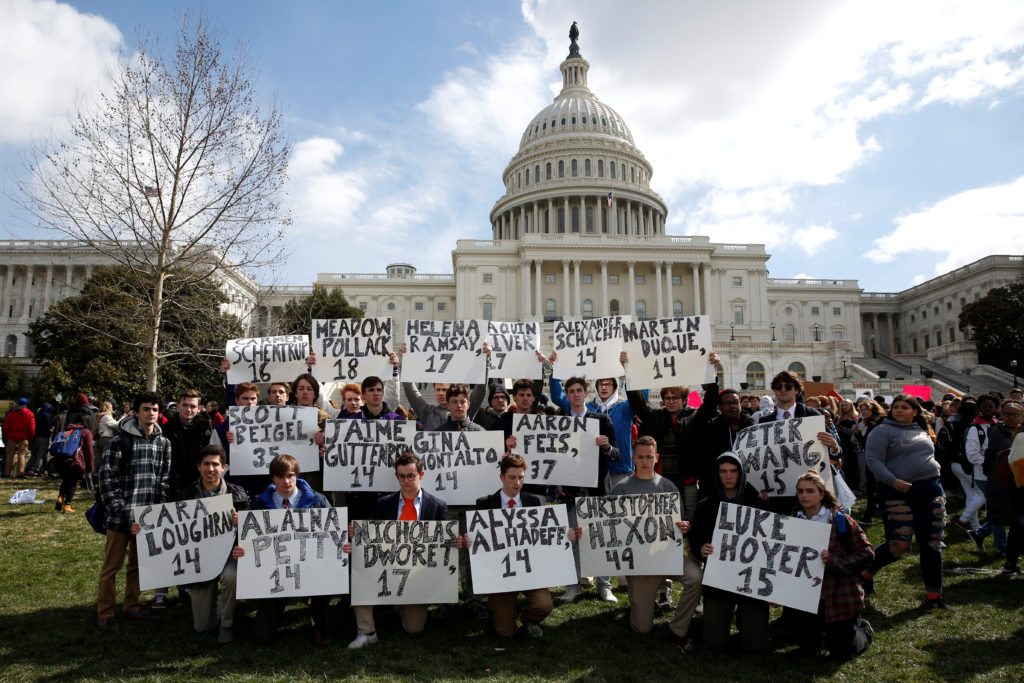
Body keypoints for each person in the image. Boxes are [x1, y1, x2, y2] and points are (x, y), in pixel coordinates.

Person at [131, 445, 248, 643]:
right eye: (206, 464)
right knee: (202, 627)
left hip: (228, 557)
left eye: (215, 464)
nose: (210, 469)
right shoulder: (185, 495)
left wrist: (241, 524)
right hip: (198, 562)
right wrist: (142, 529)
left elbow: (251, 532)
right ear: (198, 467)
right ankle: (218, 605)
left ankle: (227, 624)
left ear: (224, 467)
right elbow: (168, 528)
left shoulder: (238, 496)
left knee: (232, 576)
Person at [348, 451, 455, 649]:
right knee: (359, 571)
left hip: (417, 572)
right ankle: (366, 631)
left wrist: (454, 542)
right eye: (402, 476)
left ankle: (398, 605)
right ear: (397, 476)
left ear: (421, 475)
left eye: (411, 475)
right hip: (386, 566)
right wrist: (356, 539)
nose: (406, 480)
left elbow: (442, 543)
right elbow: (373, 536)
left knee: (414, 628)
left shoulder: (438, 506)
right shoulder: (383, 504)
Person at [609, 436, 702, 651]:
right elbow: (609, 526)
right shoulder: (621, 489)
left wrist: (683, 527)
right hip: (641, 564)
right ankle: (641, 602)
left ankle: (678, 629)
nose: (644, 461)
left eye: (649, 457)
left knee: (696, 576)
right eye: (640, 457)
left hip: (668, 555)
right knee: (642, 629)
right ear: (633, 457)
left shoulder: (668, 487)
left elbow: (676, 522)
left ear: (656, 457)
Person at [861, 394, 950, 609]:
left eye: (904, 407)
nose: (898, 410)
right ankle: (865, 572)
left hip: (929, 489)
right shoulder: (881, 431)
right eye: (895, 407)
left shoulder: (921, 428)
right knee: (900, 543)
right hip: (896, 491)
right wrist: (893, 481)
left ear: (915, 411)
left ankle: (934, 596)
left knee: (932, 542)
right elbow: (873, 460)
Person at [234, 453, 333, 646]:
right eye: (280, 477)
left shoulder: (318, 501)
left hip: (312, 565)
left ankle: (318, 623)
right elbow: (250, 540)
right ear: (273, 478)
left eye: (290, 475)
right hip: (275, 571)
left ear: (296, 475)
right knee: (263, 636)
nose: (286, 481)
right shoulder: (260, 504)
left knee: (323, 583)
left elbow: (332, 534)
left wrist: (341, 545)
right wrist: (242, 550)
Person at [96, 392, 172, 629]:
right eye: (147, 409)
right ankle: (105, 612)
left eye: (155, 409)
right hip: (120, 518)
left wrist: (156, 514)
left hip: (146, 519)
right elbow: (107, 479)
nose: (151, 413)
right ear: (136, 412)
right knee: (111, 568)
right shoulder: (120, 441)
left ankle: (132, 606)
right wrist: (122, 512)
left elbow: (163, 480)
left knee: (137, 567)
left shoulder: (164, 443)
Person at [690, 451, 771, 653]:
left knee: (756, 646)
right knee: (714, 644)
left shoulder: (758, 504)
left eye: (733, 471)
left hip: (750, 580)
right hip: (719, 579)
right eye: (723, 471)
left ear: (741, 474)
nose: (728, 476)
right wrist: (701, 548)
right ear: (716, 474)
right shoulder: (705, 505)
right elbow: (695, 536)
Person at [791, 471, 874, 658]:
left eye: (810, 491)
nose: (804, 495)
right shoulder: (792, 521)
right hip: (808, 598)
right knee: (808, 651)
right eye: (800, 491)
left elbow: (867, 553)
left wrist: (835, 561)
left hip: (839, 595)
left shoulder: (839, 519)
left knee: (843, 652)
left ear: (821, 493)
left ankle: (863, 630)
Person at [472, 454, 555, 638]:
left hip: (529, 570)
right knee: (505, 633)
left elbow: (544, 536)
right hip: (501, 574)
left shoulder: (534, 502)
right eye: (512, 477)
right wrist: (471, 540)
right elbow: (480, 540)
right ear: (502, 477)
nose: (516, 482)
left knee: (544, 605)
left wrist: (565, 534)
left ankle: (528, 619)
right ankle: (505, 612)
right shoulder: (485, 504)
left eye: (520, 477)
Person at [555, 376, 619, 604]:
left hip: (597, 490)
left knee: (600, 538)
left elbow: (616, 454)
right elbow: (553, 459)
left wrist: (607, 446)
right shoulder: (559, 421)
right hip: (570, 492)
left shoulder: (601, 419)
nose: (575, 394)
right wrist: (558, 486)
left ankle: (604, 585)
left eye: (579, 390)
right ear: (566, 394)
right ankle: (572, 585)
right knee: (571, 538)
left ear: (585, 392)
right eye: (570, 390)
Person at [548, 351, 638, 490]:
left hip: (620, 470)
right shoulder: (584, 407)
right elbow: (558, 397)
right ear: (594, 388)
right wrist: (556, 370)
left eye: (608, 384)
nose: (603, 387)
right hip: (589, 473)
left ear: (614, 387)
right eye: (600, 384)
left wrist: (629, 369)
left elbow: (639, 399)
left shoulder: (624, 407)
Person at [757, 371, 841, 514]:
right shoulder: (765, 422)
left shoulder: (812, 415)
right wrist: (762, 485)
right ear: (774, 390)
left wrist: (833, 446)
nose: (783, 389)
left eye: (788, 386)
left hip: (809, 489)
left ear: (796, 390)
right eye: (778, 386)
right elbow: (761, 458)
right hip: (779, 491)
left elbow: (833, 453)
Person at [982, 400, 1023, 567]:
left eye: (1015, 414)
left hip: (1019, 485)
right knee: (1012, 522)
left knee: (1017, 525)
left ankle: (1010, 559)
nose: (1011, 418)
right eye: (1008, 414)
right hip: (1007, 484)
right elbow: (1007, 456)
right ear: (1001, 415)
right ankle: (1004, 552)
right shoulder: (997, 432)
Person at [54, 399, 95, 513]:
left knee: (65, 480)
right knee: (72, 483)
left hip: (63, 458)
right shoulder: (86, 432)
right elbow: (89, 451)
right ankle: (67, 505)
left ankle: (60, 497)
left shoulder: (69, 428)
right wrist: (90, 467)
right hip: (76, 461)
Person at [2, 398, 35, 477]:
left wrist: (7, 435)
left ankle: (7, 473)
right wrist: (30, 437)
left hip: (12, 436)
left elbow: (5, 426)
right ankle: (20, 473)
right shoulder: (29, 414)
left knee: (10, 454)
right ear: (26, 405)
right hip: (24, 437)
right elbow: (32, 428)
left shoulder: (11, 414)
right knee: (22, 454)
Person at [27, 402, 55, 477]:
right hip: (44, 437)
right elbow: (50, 425)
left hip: (35, 437)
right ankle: (36, 470)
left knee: (34, 455)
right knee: (40, 455)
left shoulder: (37, 415)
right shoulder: (46, 416)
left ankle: (28, 468)